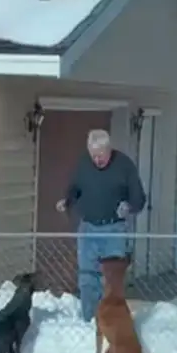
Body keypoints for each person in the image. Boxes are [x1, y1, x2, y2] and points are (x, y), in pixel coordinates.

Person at [56, 129, 146, 322]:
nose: (97, 160)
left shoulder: (124, 165)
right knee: (87, 277)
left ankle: (112, 321)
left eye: (101, 156)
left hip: (114, 230)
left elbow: (139, 198)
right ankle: (90, 320)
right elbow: (75, 188)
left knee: (112, 280)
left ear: (109, 150)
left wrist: (129, 206)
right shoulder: (83, 164)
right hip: (88, 229)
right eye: (93, 156)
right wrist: (67, 200)